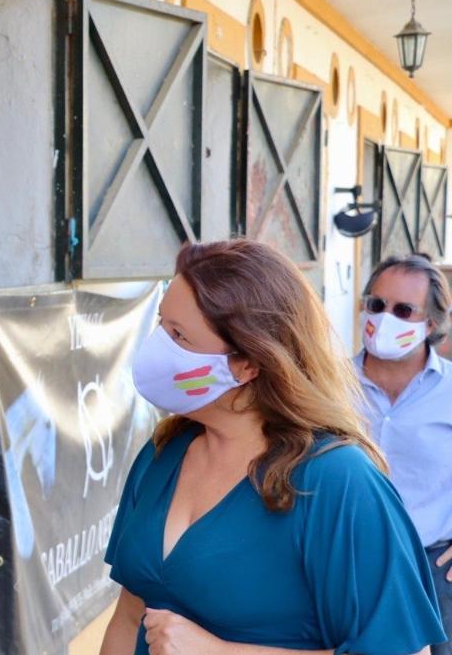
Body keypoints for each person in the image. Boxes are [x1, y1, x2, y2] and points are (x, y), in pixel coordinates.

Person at [100, 239, 445, 655]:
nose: (158, 347)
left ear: (248, 363)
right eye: (161, 325)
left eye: (179, 336)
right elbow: (128, 617)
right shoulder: (163, 452)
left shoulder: (337, 481)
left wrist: (223, 652)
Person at [354, 254, 452, 655]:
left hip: (431, 571)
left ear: (429, 324)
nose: (384, 317)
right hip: (348, 561)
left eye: (403, 310)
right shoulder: (328, 386)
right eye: (376, 304)